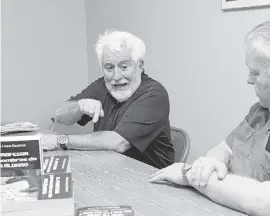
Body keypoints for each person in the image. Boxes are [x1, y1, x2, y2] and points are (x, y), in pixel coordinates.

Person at [149, 21, 270, 216]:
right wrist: (212, 162)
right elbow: (225, 148)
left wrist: (189, 175)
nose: (248, 79)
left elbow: (264, 202)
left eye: (255, 72)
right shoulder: (260, 112)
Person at [41, 30, 174, 169]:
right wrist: (79, 106)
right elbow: (60, 116)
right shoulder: (102, 85)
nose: (116, 76)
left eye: (124, 67)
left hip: (149, 181)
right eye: (109, 67)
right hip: (109, 169)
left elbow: (118, 142)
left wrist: (60, 140)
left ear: (139, 66)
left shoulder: (154, 93)